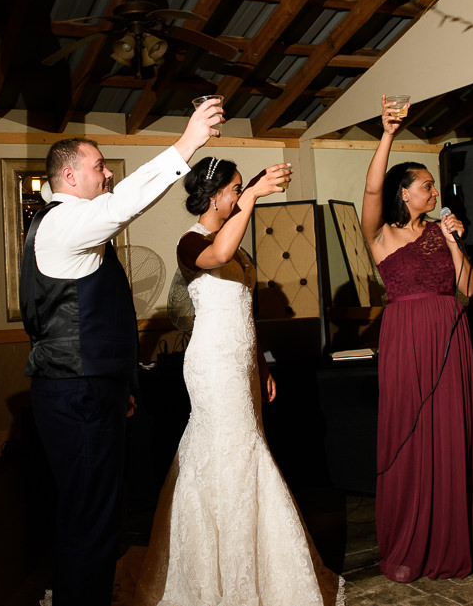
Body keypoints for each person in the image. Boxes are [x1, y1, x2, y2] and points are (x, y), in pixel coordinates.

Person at [21, 100, 223, 606]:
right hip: (77, 389)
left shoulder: (72, 228)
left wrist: (124, 384)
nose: (108, 173)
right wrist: (187, 143)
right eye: (98, 166)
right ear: (69, 175)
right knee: (91, 515)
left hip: (92, 385)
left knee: (92, 509)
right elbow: (120, 206)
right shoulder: (65, 223)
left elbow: (102, 315)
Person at [130, 157, 344, 606]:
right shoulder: (191, 241)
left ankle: (255, 560)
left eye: (240, 189)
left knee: (246, 451)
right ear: (215, 195)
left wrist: (261, 364)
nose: (239, 194)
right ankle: (208, 567)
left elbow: (245, 309)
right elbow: (219, 255)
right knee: (227, 450)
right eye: (234, 189)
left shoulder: (238, 243)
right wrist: (253, 198)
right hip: (211, 364)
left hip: (241, 361)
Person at [360, 95, 473, 582]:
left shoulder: (440, 230)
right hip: (407, 340)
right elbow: (372, 191)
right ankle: (410, 543)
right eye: (426, 187)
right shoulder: (381, 233)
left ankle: (451, 539)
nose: (434, 193)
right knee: (411, 438)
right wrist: (388, 133)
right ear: (404, 193)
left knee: (449, 432)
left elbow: (468, 290)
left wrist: (455, 240)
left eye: (433, 187)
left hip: (451, 339)